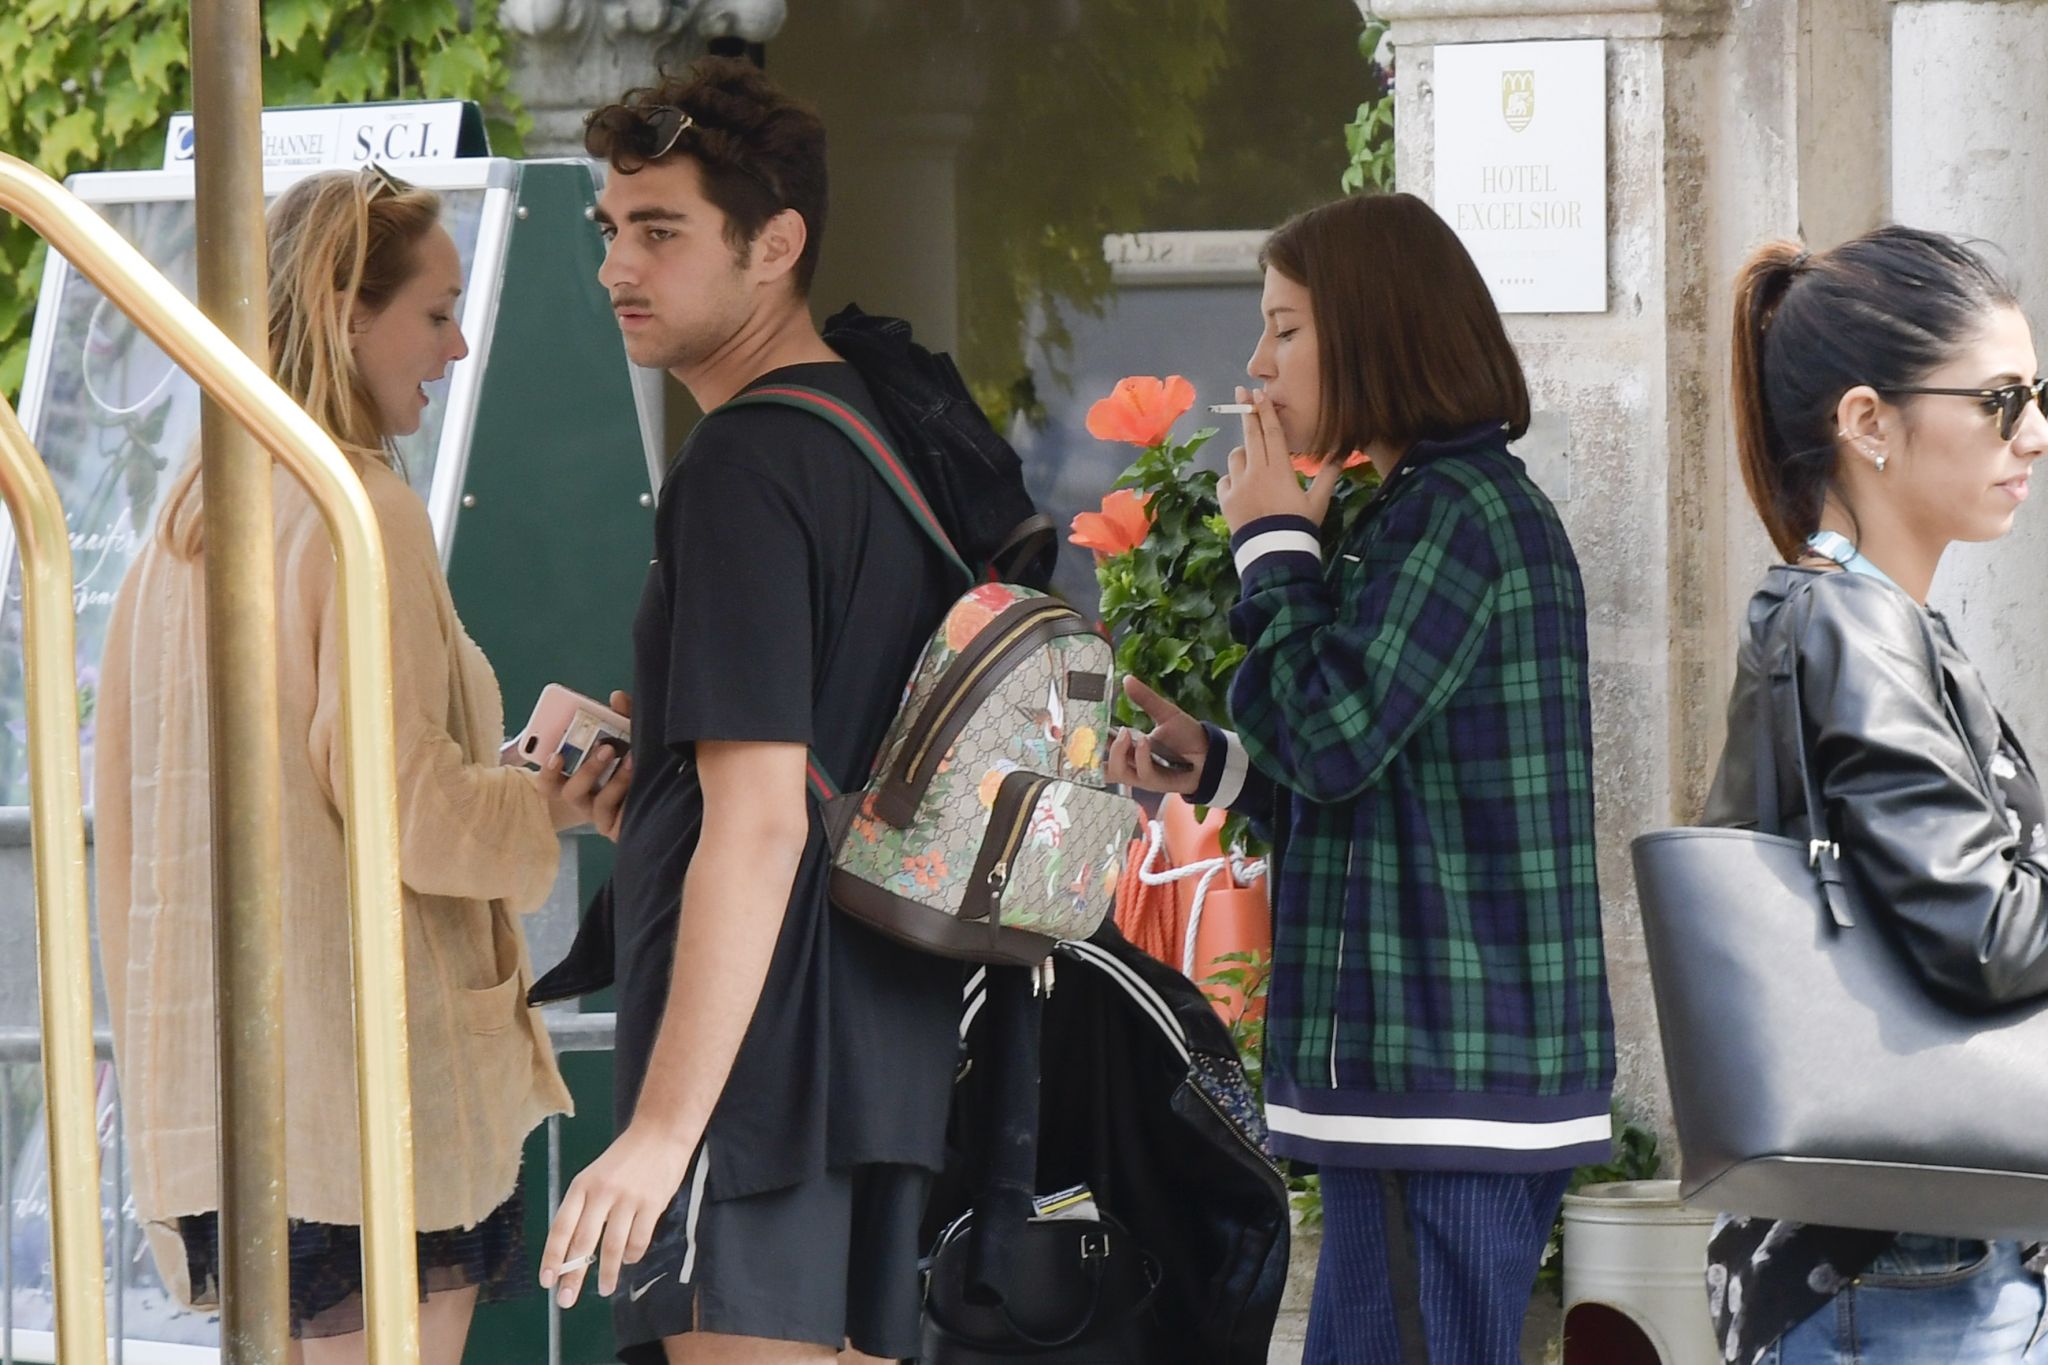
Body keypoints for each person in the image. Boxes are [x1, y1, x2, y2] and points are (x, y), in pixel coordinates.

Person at [93, 166, 628, 1364]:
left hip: (223, 1092)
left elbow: (147, 813)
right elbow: (412, 816)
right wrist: (545, 801)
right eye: (434, 312)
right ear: (345, 312)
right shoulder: (356, 509)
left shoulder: (184, 523)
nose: (457, 345)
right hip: (367, 1092)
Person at [1106, 191, 1615, 1364]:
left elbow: (1332, 735)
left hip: (1436, 1081)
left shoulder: (1456, 515)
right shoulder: (1436, 509)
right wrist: (1221, 768)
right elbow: (1378, 780)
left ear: (1375, 330)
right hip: (1440, 1085)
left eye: (1284, 327)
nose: (1256, 363)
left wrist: (1272, 545)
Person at [535, 59, 966, 1363]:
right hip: (880, 1051)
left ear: (774, 244)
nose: (618, 267)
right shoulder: (872, 438)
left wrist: (662, 1130)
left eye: (661, 232)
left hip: (760, 1074)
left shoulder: (744, 466)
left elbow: (765, 821)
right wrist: (658, 812)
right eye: (612, 228)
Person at [1698, 227, 2048, 1363]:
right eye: (2000, 400)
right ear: (1867, 422)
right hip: (1901, 1268)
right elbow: (1984, 934)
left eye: (2035, 395)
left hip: (1901, 1249)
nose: (2033, 433)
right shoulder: (1851, 628)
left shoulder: (1862, 619)